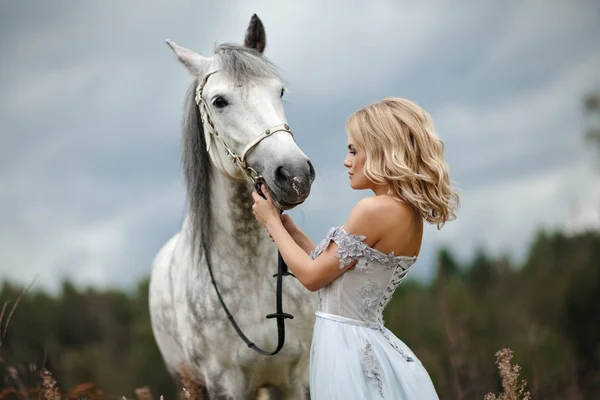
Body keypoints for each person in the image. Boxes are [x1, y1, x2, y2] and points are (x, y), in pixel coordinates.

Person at [252, 97, 459, 399]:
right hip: (361, 342)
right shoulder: (408, 214)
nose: (346, 162)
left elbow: (312, 277)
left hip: (346, 352)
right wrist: (292, 232)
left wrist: (271, 222)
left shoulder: (372, 210)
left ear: (381, 150)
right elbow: (334, 273)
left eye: (353, 150)